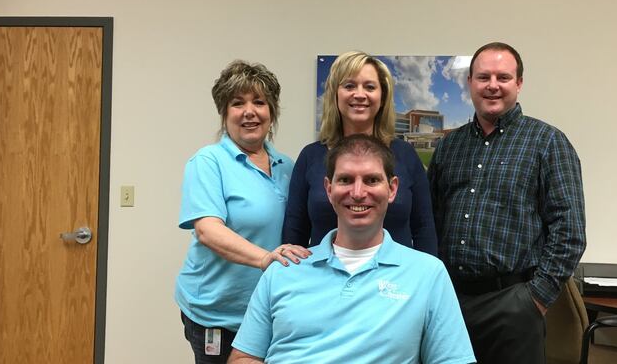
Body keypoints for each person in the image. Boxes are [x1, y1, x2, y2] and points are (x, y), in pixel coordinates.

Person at [228, 134, 476, 364]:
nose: (358, 193)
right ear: (328, 189)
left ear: (392, 189)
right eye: (345, 180)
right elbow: (242, 357)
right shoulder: (283, 269)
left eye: (371, 180)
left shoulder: (427, 274)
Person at [428, 42, 587, 363]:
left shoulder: (547, 142)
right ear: (470, 83)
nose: (492, 85)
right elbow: (433, 218)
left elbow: (569, 231)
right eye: (483, 77)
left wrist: (536, 298)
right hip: (451, 301)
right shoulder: (449, 147)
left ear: (519, 83)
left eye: (503, 77)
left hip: (513, 303)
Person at [175, 60, 311, 364]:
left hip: (269, 308)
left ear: (272, 112)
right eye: (237, 103)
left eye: (259, 102)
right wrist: (264, 258)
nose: (249, 111)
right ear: (225, 114)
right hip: (216, 313)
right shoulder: (208, 162)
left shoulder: (287, 166)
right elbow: (208, 230)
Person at [282, 51, 437, 255]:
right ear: (335, 95)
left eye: (370, 87)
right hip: (325, 280)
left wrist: (427, 279)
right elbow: (295, 232)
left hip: (395, 282)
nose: (360, 94)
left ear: (382, 97)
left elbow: (424, 227)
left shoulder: (406, 155)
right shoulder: (310, 157)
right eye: (349, 86)